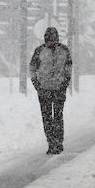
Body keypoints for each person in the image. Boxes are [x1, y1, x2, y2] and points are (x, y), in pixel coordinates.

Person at [29, 26, 73, 154]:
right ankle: (51, 143)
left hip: (59, 89)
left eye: (53, 40)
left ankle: (58, 143)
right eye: (49, 40)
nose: (51, 42)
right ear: (45, 40)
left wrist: (65, 83)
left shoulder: (64, 50)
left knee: (58, 116)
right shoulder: (39, 51)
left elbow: (68, 68)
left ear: (57, 39)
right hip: (44, 90)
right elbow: (32, 69)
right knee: (47, 118)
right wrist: (37, 84)